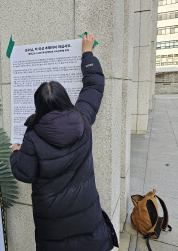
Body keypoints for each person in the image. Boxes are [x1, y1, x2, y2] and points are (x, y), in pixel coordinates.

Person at [9, 34, 119, 251]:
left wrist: (14, 154)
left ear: (38, 106)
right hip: (86, 216)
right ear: (66, 99)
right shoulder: (83, 119)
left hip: (52, 226)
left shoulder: (32, 137)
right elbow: (94, 87)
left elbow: (24, 173)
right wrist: (87, 53)